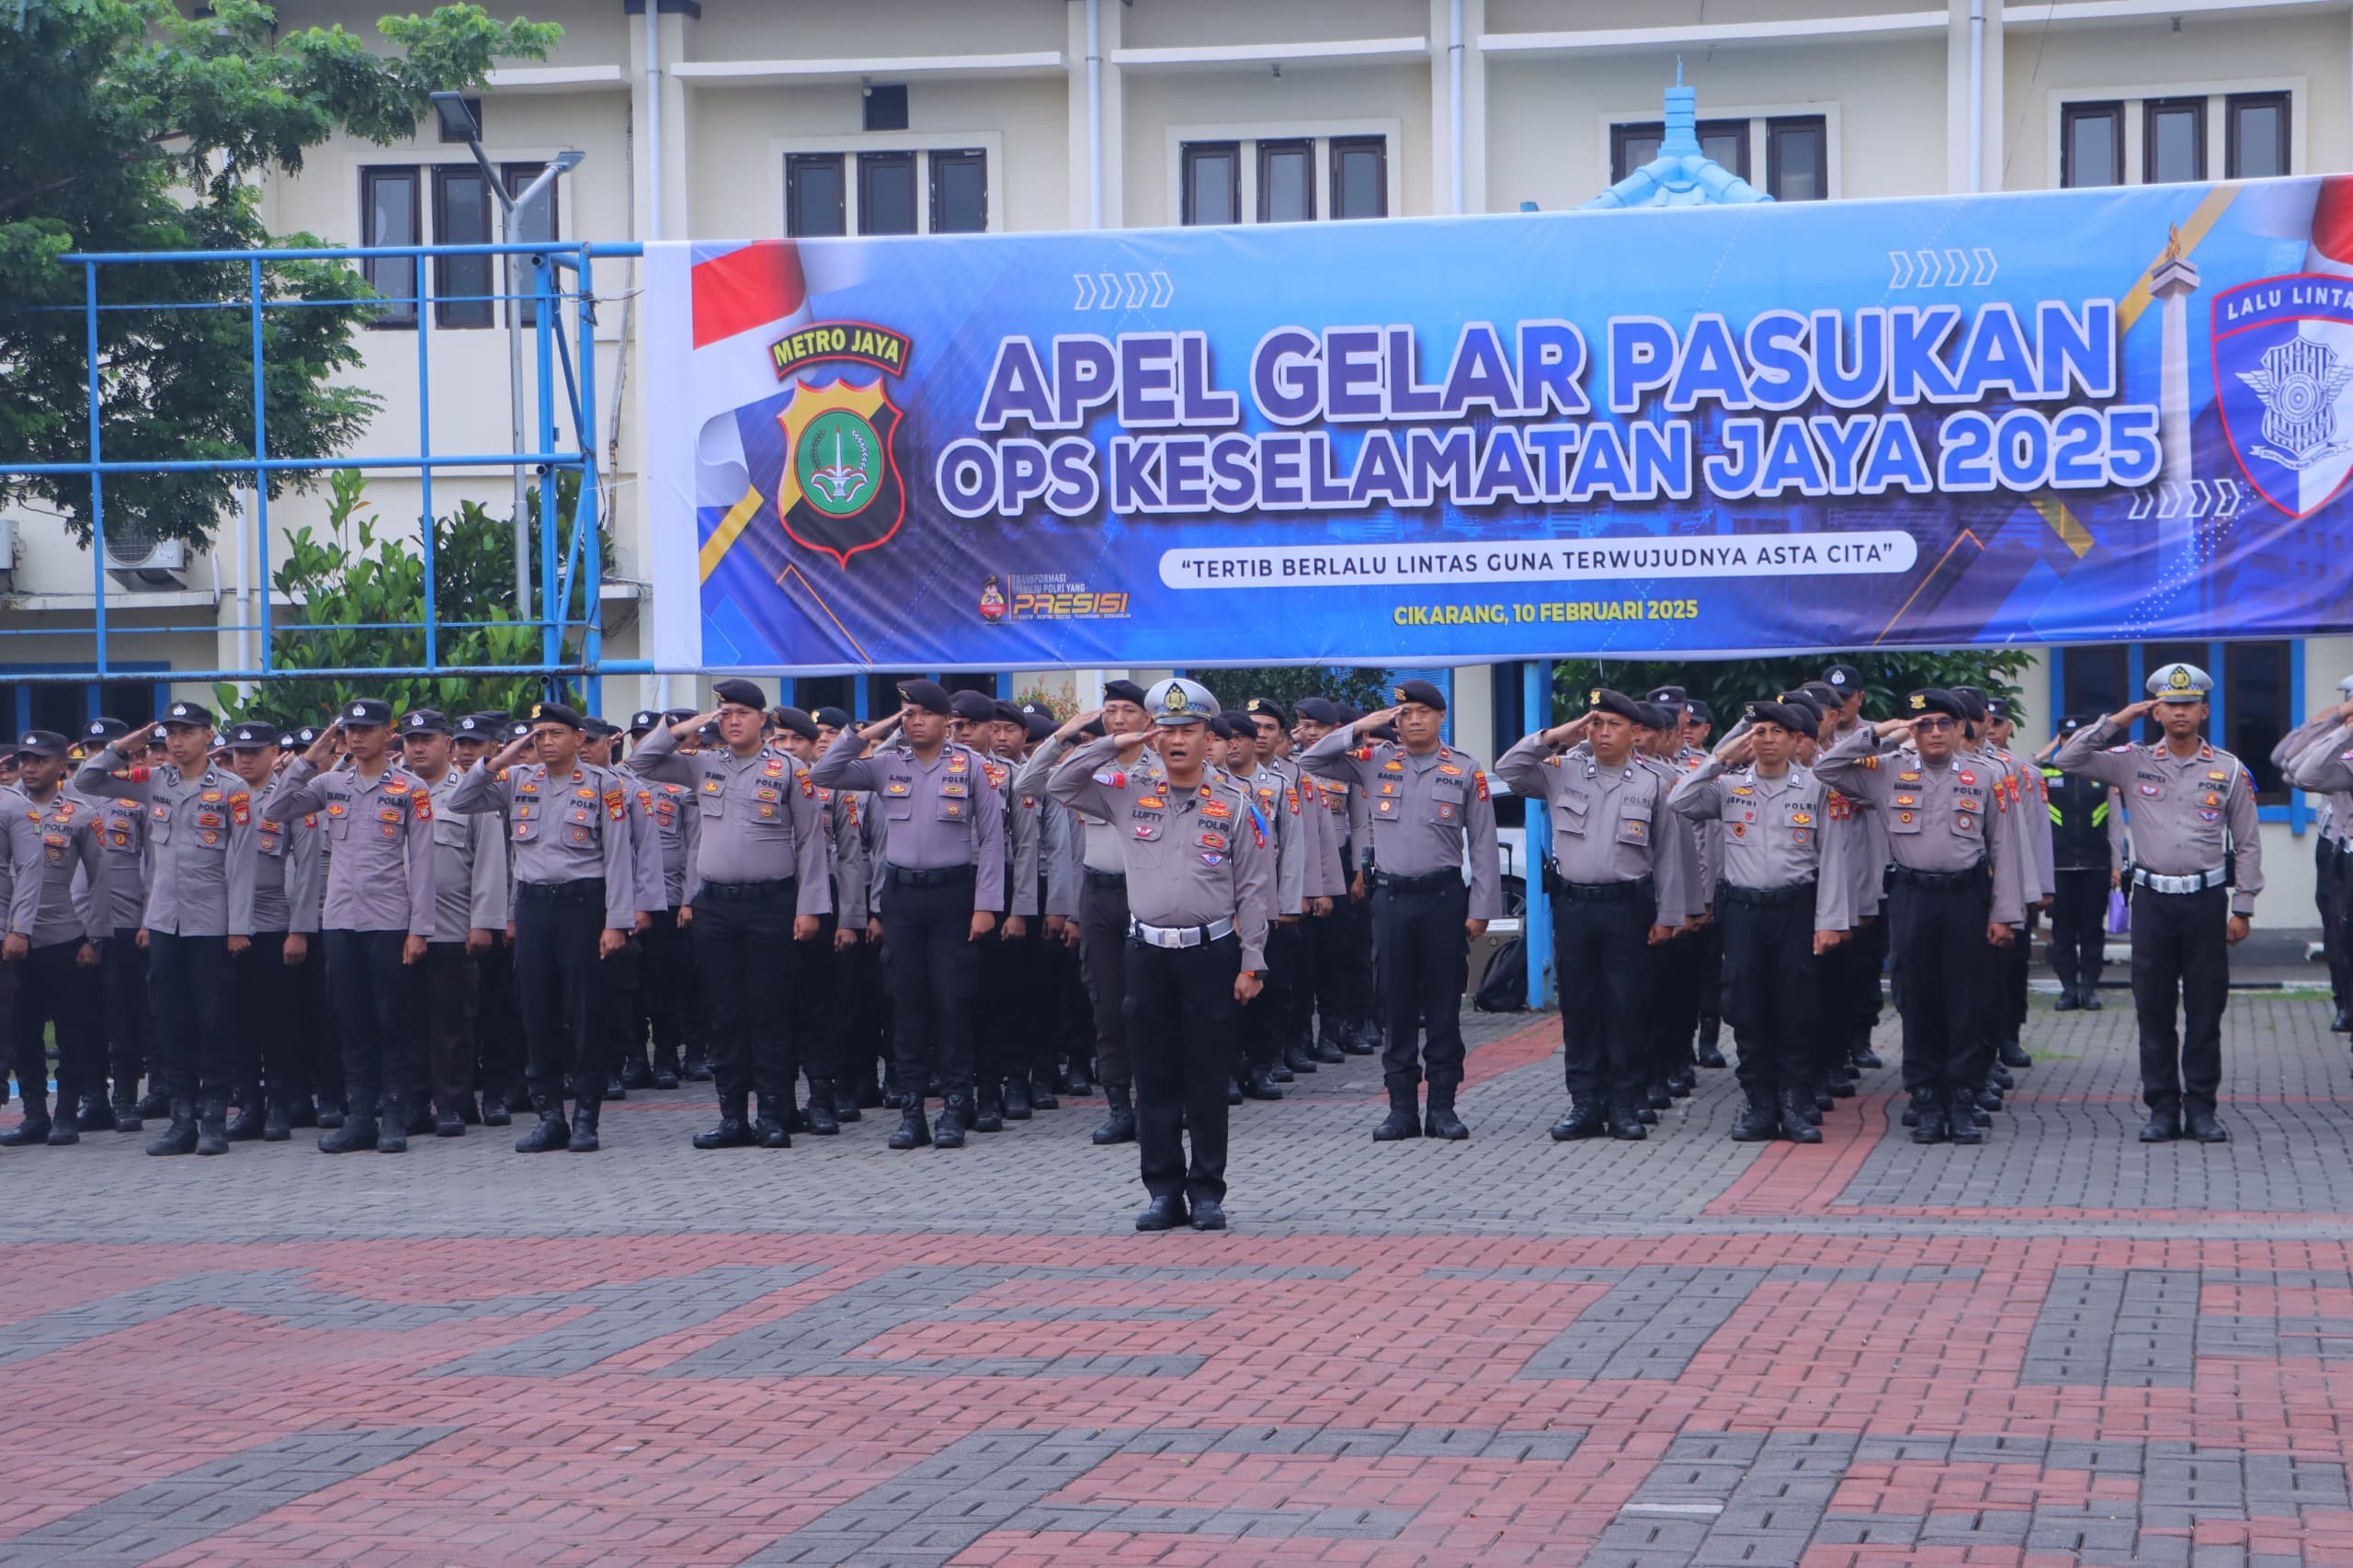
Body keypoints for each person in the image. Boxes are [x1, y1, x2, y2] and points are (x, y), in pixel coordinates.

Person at [1047, 679, 1271, 1232]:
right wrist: (1113, 742)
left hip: (1212, 953)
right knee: (1154, 1075)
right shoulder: (1126, 791)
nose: (1176, 740)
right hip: (1146, 952)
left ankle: (1208, 1192)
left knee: (1207, 1076)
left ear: (1207, 737)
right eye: (1166, 730)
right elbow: (1055, 783)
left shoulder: (1236, 804)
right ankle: (1163, 1192)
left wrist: (1253, 960)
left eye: (1187, 730)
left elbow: (1253, 889)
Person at [2057, 663, 2263, 1143]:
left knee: (2205, 1011)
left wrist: (2244, 905)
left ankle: (2203, 1109)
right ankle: (2163, 1109)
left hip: (2206, 903)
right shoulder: (2131, 760)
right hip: (2152, 902)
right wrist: (2118, 720)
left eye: (2189, 704)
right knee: (2154, 1010)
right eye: (2170, 705)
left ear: (2204, 711)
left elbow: (2248, 843)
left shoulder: (2229, 768)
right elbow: (2068, 759)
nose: (2180, 712)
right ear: (2156, 712)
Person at [1816, 689, 2025, 1145]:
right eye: (1923, 724)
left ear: (1960, 729)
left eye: (1942, 723)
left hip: (1967, 898)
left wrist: (2005, 913)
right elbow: (1826, 768)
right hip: (1912, 896)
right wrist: (1880, 734)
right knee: (1917, 999)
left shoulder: (1986, 775)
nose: (1933, 732)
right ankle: (1927, 1102)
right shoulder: (1887, 770)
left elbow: (2005, 847)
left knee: (1967, 1002)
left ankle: (1962, 1102)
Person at [1301, 679, 1502, 1142]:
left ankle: (1443, 1107)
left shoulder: (1465, 769)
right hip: (1391, 900)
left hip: (1443, 900)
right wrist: (1360, 727)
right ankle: (1401, 1109)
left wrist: (1482, 908)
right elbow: (1310, 761)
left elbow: (1484, 844)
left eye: (1423, 712)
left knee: (1443, 1005)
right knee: (1395, 1003)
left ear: (1441, 717)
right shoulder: (1376, 761)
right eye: (1404, 713)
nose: (1413, 721)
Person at [631, 681, 828, 1149]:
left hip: (771, 905)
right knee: (724, 1013)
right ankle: (732, 1117)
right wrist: (683, 727)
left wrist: (810, 907)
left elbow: (810, 842)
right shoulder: (703, 764)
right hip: (715, 906)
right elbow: (640, 764)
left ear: (763, 719)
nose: (733, 720)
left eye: (742, 712)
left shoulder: (789, 769)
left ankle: (773, 1116)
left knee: (769, 1011)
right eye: (725, 712)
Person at [811, 680, 1004, 1152]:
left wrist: (986, 905)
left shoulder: (971, 767)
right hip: (901, 897)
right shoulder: (886, 764)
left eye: (924, 713)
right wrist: (872, 731)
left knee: (953, 1002)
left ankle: (955, 1107)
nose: (915, 721)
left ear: (946, 721)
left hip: (953, 895)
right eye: (907, 713)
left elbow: (993, 839)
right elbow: (823, 772)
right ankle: (912, 1112)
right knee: (906, 1003)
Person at [1495, 689, 1689, 1142]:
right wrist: (1558, 735)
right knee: (1580, 1007)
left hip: (1629, 907)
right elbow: (1510, 769)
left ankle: (1624, 1104)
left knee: (1627, 1006)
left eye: (1613, 724)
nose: (1602, 733)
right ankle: (1585, 1104)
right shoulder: (1563, 771)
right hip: (1575, 907)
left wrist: (1670, 915)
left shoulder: (1653, 782)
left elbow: (1668, 855)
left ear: (1635, 732)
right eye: (1595, 723)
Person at [450, 701, 642, 1153]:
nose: (547, 742)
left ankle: (586, 1117)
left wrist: (617, 922)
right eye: (539, 735)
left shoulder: (605, 785)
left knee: (586, 1012)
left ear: (579, 738)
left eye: (556, 733)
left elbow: (618, 857)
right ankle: (549, 1116)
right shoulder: (519, 779)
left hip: (584, 905)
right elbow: (461, 800)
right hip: (534, 907)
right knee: (537, 1011)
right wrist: (501, 756)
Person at [73, 699, 258, 1157]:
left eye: (186, 732)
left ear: (208, 736)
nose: (176, 741)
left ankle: (213, 1118)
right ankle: (181, 1119)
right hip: (164, 921)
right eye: (170, 733)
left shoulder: (232, 789)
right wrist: (123, 746)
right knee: (170, 1020)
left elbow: (243, 862)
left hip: (211, 922)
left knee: (212, 1020)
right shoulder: (155, 780)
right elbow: (87, 780)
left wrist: (239, 925)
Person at [1668, 702, 1853, 1143]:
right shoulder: (1729, 787)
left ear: (1795, 740)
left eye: (1776, 732)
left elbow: (1833, 857)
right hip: (1744, 913)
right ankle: (1759, 1104)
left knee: (1796, 1008)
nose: (1767, 739)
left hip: (1796, 910)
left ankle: (1794, 1103)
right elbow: (1679, 800)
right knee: (1747, 1009)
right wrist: (1719, 759)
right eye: (1759, 731)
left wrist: (1830, 921)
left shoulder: (1816, 788)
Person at [266, 700, 438, 1153]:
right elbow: (276, 808)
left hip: (389, 920)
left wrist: (420, 929)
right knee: (351, 1021)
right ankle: (360, 1118)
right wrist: (309, 758)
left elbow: (423, 862)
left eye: (367, 729)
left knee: (392, 1021)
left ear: (388, 734)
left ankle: (395, 1116)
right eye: (350, 731)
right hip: (341, 920)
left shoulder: (411, 788)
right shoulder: (330, 784)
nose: (357, 738)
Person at [1020, 681, 1153, 1143]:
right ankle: (1119, 1107)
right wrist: (1063, 738)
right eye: (1110, 710)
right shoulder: (1089, 765)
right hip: (1099, 897)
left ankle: (1155, 1103)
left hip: (1149, 895)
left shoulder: (1163, 767)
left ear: (1147, 719)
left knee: (1151, 1005)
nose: (1118, 719)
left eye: (1128, 711)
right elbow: (1028, 785)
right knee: (1107, 1004)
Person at [402, 710, 506, 1136]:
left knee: (452, 1024)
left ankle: (452, 1103)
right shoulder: (392, 789)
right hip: (397, 927)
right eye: (411, 740)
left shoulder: (470, 793)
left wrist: (483, 922)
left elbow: (489, 862)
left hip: (451, 925)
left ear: (446, 743)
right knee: (406, 1022)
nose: (418, 748)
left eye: (426, 739)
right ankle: (413, 1103)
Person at [217, 720, 321, 1142]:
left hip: (272, 921)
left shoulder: (291, 798)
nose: (245, 760)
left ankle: (281, 1103)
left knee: (277, 1021)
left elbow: (309, 867)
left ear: (273, 753)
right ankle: (250, 1106)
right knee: (235, 1020)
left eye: (254, 752)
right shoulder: (220, 793)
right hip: (222, 923)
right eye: (238, 752)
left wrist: (300, 929)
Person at [3, 731, 108, 1147]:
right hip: (11, 940)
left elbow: (99, 880)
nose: (29, 769)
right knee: (21, 1031)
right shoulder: (7, 807)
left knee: (71, 1031)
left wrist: (94, 939)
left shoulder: (80, 815)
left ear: (62, 766)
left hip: (62, 936)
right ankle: (34, 1115)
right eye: (24, 761)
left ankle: (66, 1114)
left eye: (40, 760)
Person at [80, 718, 153, 1128]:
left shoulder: (138, 799)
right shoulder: (68, 797)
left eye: (103, 748)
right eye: (90, 748)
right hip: (77, 923)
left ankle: (125, 1098)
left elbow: (153, 864)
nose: (96, 755)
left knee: (124, 1014)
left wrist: (149, 917)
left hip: (126, 920)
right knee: (82, 1015)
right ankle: (93, 1098)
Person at [2276, 678, 2353, 1034]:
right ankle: (2345, 1004)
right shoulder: (2337, 743)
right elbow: (2289, 764)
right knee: (2338, 930)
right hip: (2337, 846)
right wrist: (2333, 723)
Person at [2039, 716, 2126, 1012]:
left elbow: (2115, 823)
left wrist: (2117, 864)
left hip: (2096, 866)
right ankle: (2068, 989)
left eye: (2077, 737)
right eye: (2065, 737)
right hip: (2057, 867)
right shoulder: (2044, 772)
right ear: (2058, 740)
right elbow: (2021, 768)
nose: (2070, 742)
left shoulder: (2104, 774)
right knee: (2062, 931)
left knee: (2092, 930)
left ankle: (2089, 988)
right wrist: (2046, 750)